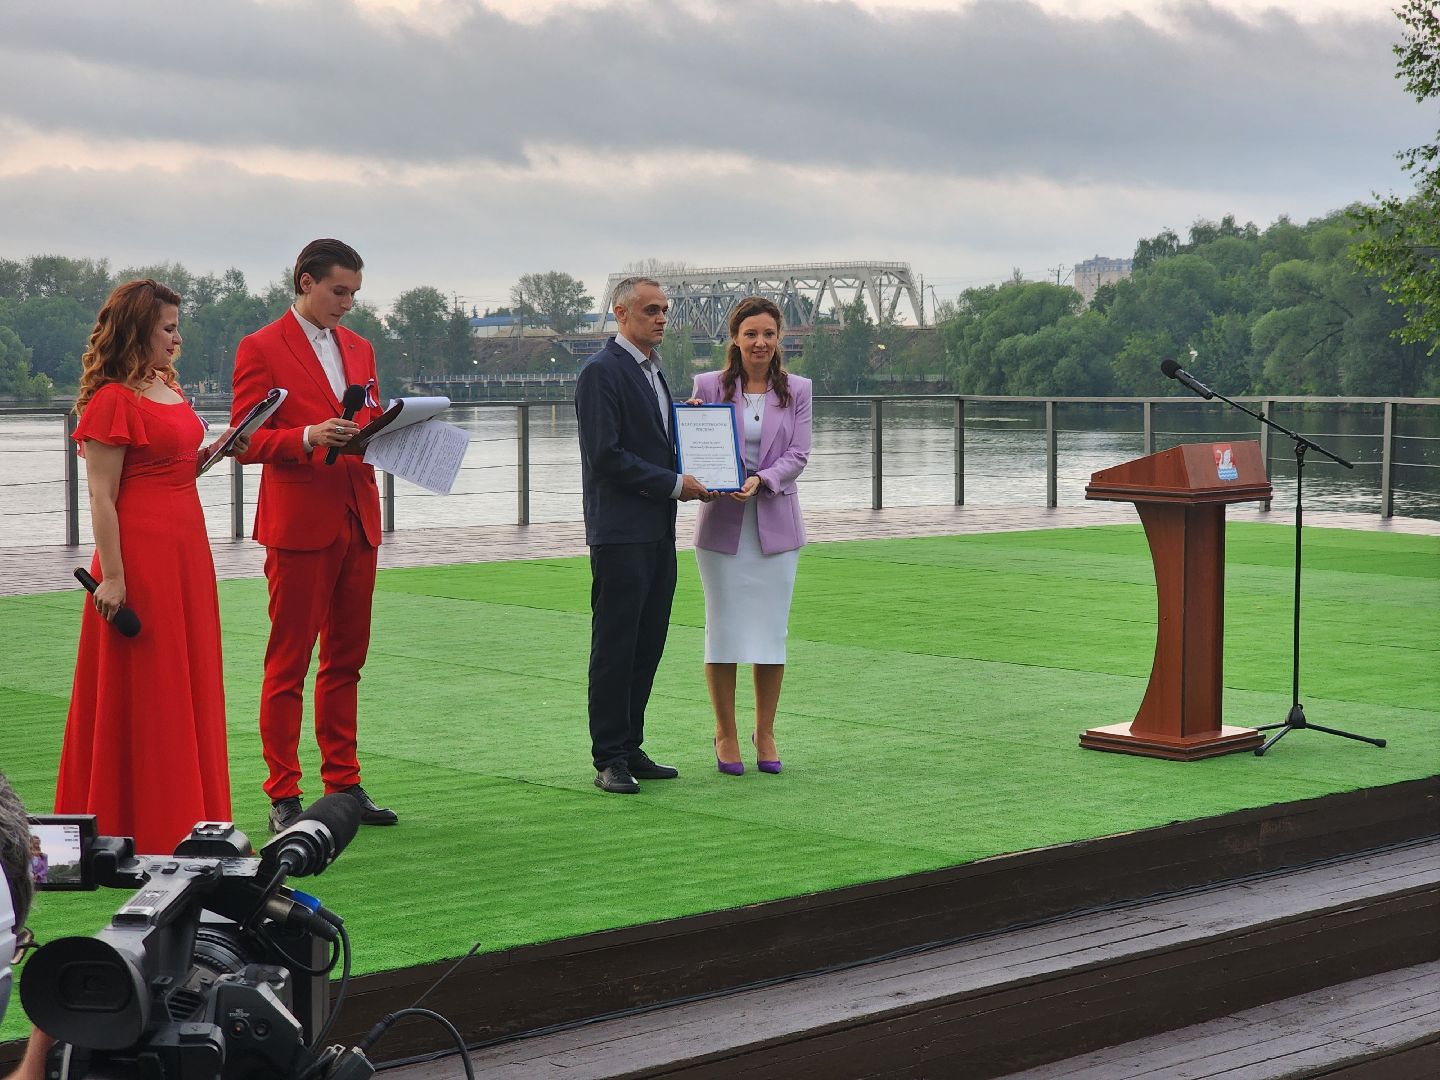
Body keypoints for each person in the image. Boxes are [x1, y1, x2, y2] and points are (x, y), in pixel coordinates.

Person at [55, 280, 239, 853]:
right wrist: (113, 576)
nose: (177, 339)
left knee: (187, 678)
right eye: (167, 328)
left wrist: (214, 451)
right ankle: (152, 822)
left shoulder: (163, 386)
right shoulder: (113, 400)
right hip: (141, 554)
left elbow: (173, 467)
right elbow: (102, 497)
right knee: (153, 684)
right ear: (138, 330)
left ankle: (196, 819)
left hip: (186, 547)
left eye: (177, 327)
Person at [231, 239, 397, 832]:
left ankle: (344, 786)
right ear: (305, 282)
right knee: (289, 662)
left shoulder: (360, 346)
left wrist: (395, 428)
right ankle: (283, 795)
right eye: (338, 291)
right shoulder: (260, 348)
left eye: (354, 292)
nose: (348, 304)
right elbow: (243, 441)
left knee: (347, 660)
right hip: (299, 524)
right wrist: (305, 438)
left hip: (358, 516)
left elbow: (370, 416)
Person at [575, 277, 713, 794]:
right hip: (619, 531)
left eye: (665, 310)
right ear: (621, 313)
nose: (661, 318)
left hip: (656, 529)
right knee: (616, 644)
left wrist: (686, 426)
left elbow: (648, 439)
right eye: (651, 310)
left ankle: (631, 744)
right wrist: (677, 484)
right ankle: (608, 756)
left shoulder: (653, 371)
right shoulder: (600, 372)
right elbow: (606, 455)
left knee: (648, 639)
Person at [689, 297, 812, 774]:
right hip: (720, 528)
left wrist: (761, 480)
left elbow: (798, 455)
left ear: (780, 339)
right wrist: (691, 424)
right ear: (735, 339)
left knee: (770, 634)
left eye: (768, 334)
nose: (759, 343)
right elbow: (690, 446)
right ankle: (725, 734)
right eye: (750, 334)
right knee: (722, 632)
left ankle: (766, 731)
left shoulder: (798, 390)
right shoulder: (707, 386)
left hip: (776, 528)